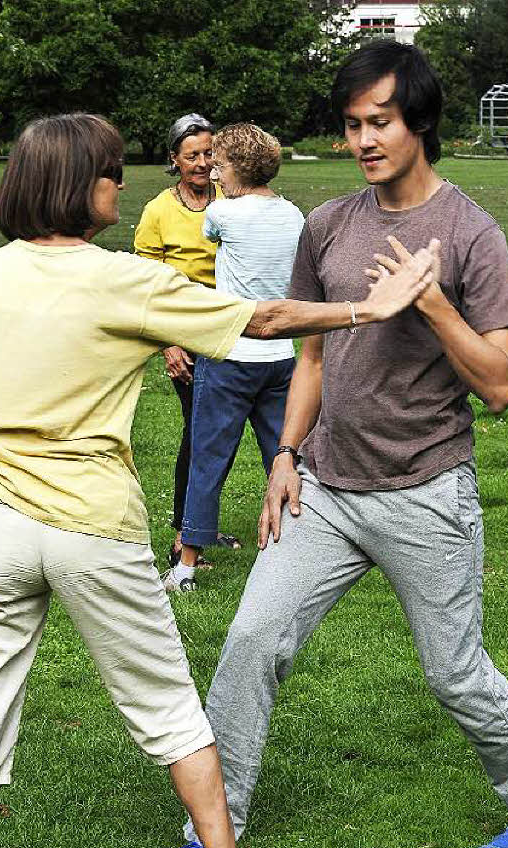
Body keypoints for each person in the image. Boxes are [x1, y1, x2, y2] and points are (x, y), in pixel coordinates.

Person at [0, 111, 435, 848]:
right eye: (110, 173)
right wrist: (367, 306)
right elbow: (260, 317)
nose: (119, 184)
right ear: (80, 187)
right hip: (90, 525)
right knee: (169, 705)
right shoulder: (124, 281)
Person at [148, 40, 508, 848]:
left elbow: (499, 387)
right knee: (249, 641)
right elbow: (309, 361)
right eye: (351, 125)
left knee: (453, 670)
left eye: (378, 122)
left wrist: (430, 304)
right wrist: (283, 454)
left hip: (425, 488)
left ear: (418, 122)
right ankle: (215, 830)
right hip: (327, 489)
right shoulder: (329, 226)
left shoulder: (469, 233)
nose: (363, 140)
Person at [163, 123, 305, 594]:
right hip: (280, 356)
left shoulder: (222, 212)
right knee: (283, 457)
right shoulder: (293, 215)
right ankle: (298, 550)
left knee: (209, 457)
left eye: (219, 165)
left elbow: (210, 233)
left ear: (238, 169)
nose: (214, 173)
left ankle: (186, 564)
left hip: (228, 353)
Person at [134, 114, 239, 568]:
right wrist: (170, 346)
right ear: (174, 160)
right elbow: (147, 286)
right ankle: (183, 535)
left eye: (208, 153)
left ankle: (200, 524)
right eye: (192, 154)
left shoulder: (233, 198)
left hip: (233, 327)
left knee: (222, 433)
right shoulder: (159, 211)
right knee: (202, 432)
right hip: (186, 334)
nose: (202, 162)